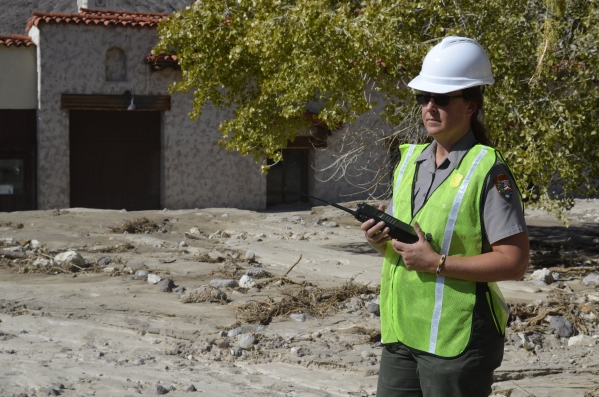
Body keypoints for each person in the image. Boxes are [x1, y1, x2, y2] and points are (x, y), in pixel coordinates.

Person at [361, 36, 530, 397]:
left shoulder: (488, 170)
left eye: (441, 98)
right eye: (424, 98)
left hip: (457, 341)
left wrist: (436, 262)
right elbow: (408, 250)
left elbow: (514, 263)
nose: (429, 107)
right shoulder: (408, 162)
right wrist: (380, 240)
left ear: (471, 105)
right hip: (402, 333)